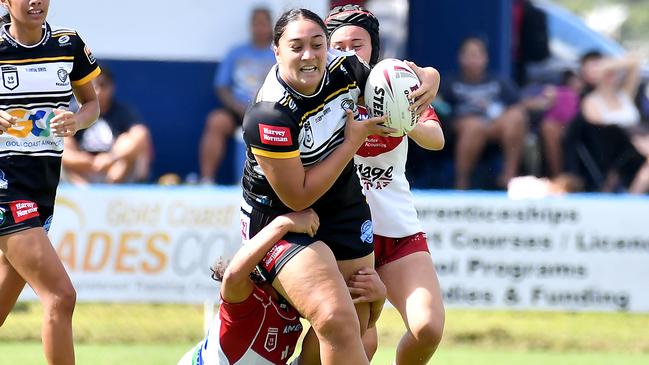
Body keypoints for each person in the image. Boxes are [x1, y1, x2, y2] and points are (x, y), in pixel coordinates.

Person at [240, 8, 438, 365]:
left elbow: (404, 75)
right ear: (276, 51)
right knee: (336, 317)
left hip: (343, 206)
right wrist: (351, 143)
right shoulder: (269, 113)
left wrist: (430, 81)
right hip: (283, 217)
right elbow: (297, 195)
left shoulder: (344, 67)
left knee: (359, 326)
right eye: (296, 46)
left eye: (318, 45)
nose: (309, 55)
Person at [326, 5, 445, 364]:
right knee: (362, 343)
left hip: (396, 230)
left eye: (357, 44)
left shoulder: (396, 80)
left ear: (374, 49)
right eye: (339, 45)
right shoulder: (321, 94)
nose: (348, 52)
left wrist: (403, 117)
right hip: (343, 236)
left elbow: (436, 139)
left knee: (428, 329)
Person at [0, 1, 101, 364]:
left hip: (43, 188)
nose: (34, 1)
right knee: (60, 296)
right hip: (5, 187)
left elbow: (92, 105)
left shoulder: (68, 44)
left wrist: (76, 121)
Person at [177, 209, 386, 365]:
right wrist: (284, 223)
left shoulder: (286, 302)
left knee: (354, 339)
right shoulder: (247, 305)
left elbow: (351, 330)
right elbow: (232, 276)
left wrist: (376, 299)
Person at [199, 7, 276, 183]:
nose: (259, 28)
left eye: (263, 23)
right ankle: (206, 180)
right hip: (237, 109)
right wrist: (236, 106)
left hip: (267, 111)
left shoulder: (277, 53)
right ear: (250, 26)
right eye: (256, 23)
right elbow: (222, 87)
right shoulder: (236, 52)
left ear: (270, 25)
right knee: (216, 121)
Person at [441, 36, 528, 189]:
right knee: (474, 126)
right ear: (461, 58)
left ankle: (509, 177)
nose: (473, 59)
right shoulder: (450, 82)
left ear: (485, 58)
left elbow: (518, 104)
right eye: (469, 54)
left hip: (495, 126)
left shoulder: (499, 81)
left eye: (477, 55)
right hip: (465, 127)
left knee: (516, 116)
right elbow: (441, 108)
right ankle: (461, 184)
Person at [61, 64, 152, 184]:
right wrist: (87, 162)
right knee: (60, 143)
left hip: (114, 172)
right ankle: (85, 195)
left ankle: (111, 192)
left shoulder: (122, 111)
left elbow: (140, 134)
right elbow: (63, 148)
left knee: (128, 140)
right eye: (92, 86)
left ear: (112, 87)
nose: (97, 91)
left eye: (102, 85)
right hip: (81, 173)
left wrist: (111, 158)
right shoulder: (71, 110)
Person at [580, 54, 649, 194]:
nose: (611, 76)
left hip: (640, 143)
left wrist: (609, 65)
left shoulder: (624, 95)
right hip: (617, 150)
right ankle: (633, 197)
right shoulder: (591, 101)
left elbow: (635, 62)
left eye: (614, 73)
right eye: (607, 73)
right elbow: (601, 133)